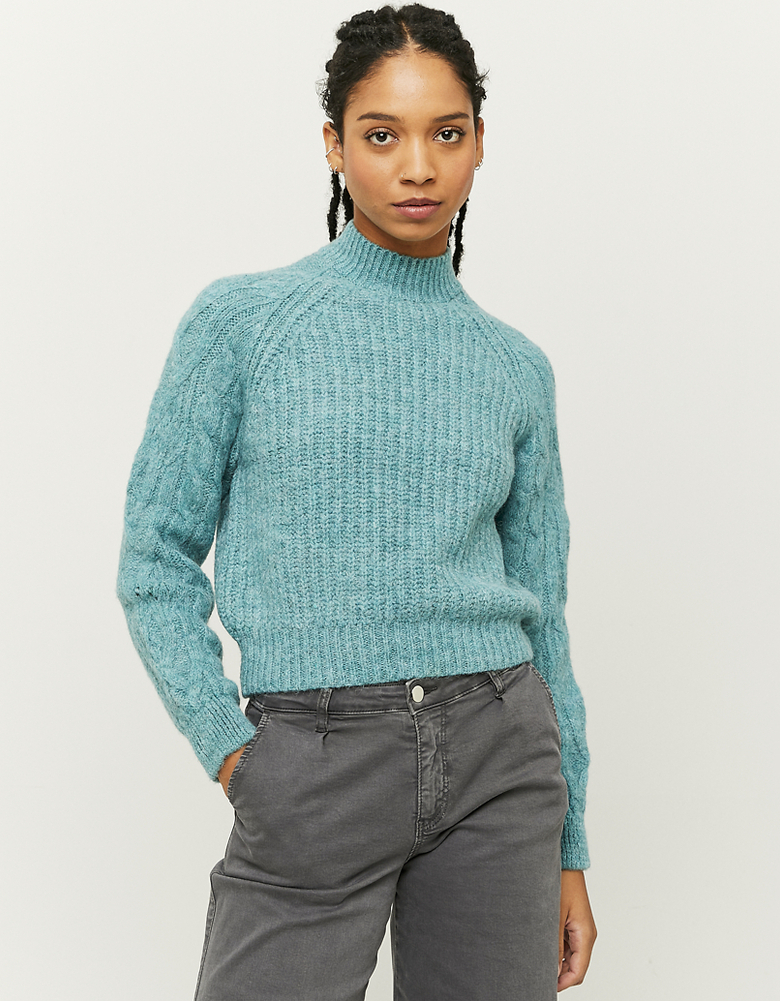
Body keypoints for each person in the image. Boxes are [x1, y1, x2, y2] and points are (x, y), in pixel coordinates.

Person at [116, 4, 597, 998]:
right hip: (314, 756)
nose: (418, 167)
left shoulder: (515, 367)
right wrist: (234, 753)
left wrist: (570, 846)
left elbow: (545, 615)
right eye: (382, 135)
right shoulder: (244, 322)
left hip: (502, 760)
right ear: (334, 145)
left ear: (478, 145)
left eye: (446, 133)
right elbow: (154, 559)